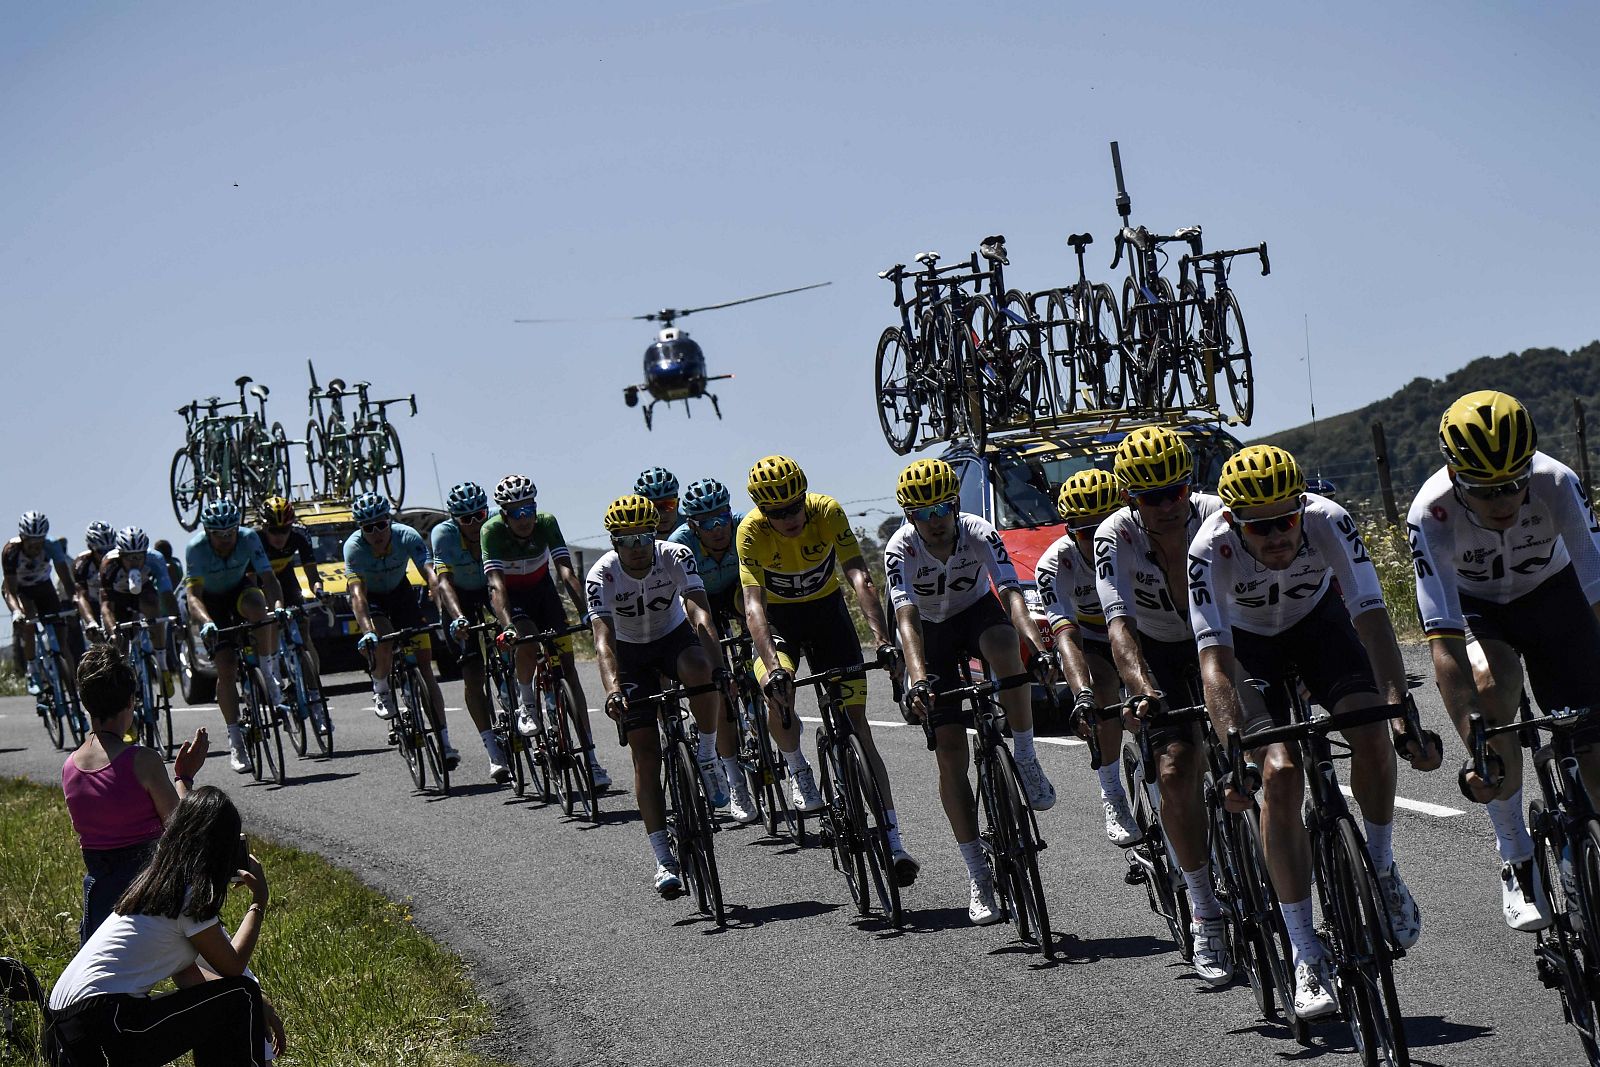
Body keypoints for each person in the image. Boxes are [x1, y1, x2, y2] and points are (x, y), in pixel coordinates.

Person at [1190, 445, 1440, 1018]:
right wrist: (1233, 751)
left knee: (1372, 729)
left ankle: (1380, 867)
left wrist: (1399, 707)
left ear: (1301, 508)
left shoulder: (1329, 520)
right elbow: (1212, 662)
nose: (1277, 535)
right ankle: (1305, 950)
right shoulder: (1208, 548)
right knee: (1278, 772)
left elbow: (1371, 617)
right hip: (1247, 651)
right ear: (1233, 522)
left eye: (1286, 519)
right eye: (1261, 526)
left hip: (1318, 629)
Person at [1409, 390, 1600, 931]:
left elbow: (1596, 587)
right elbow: (1443, 639)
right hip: (1478, 610)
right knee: (1494, 684)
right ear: (1454, 472)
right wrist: (1474, 738)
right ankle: (1515, 855)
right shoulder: (1431, 511)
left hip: (1554, 593)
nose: (1504, 500)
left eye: (1515, 483)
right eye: (1486, 490)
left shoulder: (1556, 481)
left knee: (1593, 742)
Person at [887, 459, 1065, 924]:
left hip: (975, 614)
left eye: (942, 508)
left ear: (956, 503)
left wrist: (1036, 646)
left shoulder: (979, 532)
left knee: (1006, 644)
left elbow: (1010, 594)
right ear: (910, 516)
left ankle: (1024, 757)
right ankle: (977, 874)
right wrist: (918, 677)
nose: (935, 520)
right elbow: (906, 620)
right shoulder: (899, 549)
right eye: (923, 513)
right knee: (949, 753)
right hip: (928, 632)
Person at [738, 454, 919, 884]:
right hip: (780, 622)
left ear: (805, 497)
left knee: (859, 728)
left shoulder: (827, 511)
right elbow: (752, 606)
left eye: (794, 506)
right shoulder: (751, 531)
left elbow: (859, 578)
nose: (789, 517)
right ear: (764, 513)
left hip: (827, 615)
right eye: (777, 512)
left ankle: (894, 842)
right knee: (775, 688)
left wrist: (881, 640)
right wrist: (771, 665)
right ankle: (798, 768)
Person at [1093, 425, 1229, 985]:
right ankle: (1204, 908)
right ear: (1130, 497)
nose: (1168, 506)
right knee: (1174, 770)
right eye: (1152, 497)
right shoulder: (1112, 537)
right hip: (1159, 650)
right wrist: (1142, 687)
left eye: (1175, 491)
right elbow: (1119, 628)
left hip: (1223, 638)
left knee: (1269, 751)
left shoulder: (1218, 513)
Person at [46, 786, 285, 1065]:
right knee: (241, 995)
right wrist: (259, 901)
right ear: (219, 847)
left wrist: (258, 1003)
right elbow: (232, 966)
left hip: (63, 1024)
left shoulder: (156, 886)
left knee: (238, 997)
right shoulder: (188, 894)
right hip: (101, 1020)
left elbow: (190, 979)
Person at [592, 495, 754, 896]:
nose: (637, 548)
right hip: (629, 655)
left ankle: (708, 753)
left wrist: (719, 668)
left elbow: (700, 614)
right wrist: (613, 690)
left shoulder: (676, 556)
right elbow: (603, 642)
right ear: (614, 542)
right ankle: (663, 859)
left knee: (700, 670)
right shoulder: (602, 576)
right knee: (645, 758)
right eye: (626, 540)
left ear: (655, 534)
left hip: (672, 638)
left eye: (643, 537)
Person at [63, 643, 208, 944]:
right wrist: (184, 777)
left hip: (102, 902)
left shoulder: (69, 768)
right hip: (148, 895)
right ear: (130, 702)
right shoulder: (142, 760)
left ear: (86, 703)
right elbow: (180, 826)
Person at [482, 474, 609, 788]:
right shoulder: (492, 531)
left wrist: (586, 612)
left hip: (543, 594)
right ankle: (526, 702)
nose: (524, 519)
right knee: (525, 640)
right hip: (512, 599)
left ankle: (591, 760)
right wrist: (507, 625)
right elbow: (496, 585)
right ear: (504, 513)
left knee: (569, 671)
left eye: (529, 510)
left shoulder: (547, 523)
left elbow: (566, 572)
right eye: (516, 513)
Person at [1035, 468, 1139, 845]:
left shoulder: (1141, 539)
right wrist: (1082, 694)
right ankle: (1113, 795)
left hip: (1145, 629)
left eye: (1105, 528)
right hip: (1094, 637)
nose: (1097, 543)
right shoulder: (1054, 563)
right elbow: (1066, 635)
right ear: (1068, 532)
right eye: (1085, 534)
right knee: (1103, 694)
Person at [345, 491, 461, 771]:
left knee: (424, 665)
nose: (376, 532)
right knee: (383, 639)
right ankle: (382, 687)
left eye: (381, 524)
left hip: (401, 595)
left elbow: (430, 575)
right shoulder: (354, 547)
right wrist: (367, 631)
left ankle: (444, 743)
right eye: (368, 527)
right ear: (361, 529)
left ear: (389, 521)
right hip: (372, 600)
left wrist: (442, 605)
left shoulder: (406, 535)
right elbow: (357, 595)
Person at [185, 498, 286, 775]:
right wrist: (206, 622)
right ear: (208, 533)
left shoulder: (249, 538)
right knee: (226, 668)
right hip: (212, 604)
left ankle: (269, 674)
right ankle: (236, 739)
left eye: (231, 532)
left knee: (259, 609)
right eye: (220, 534)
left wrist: (278, 607)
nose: (227, 539)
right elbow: (193, 597)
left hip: (240, 590)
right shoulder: (196, 549)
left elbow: (268, 578)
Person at [432, 480, 511, 783]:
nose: (475, 523)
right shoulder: (443, 534)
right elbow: (443, 583)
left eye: (479, 515)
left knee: (514, 635)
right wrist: (458, 618)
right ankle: (492, 749)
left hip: (492, 587)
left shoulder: (495, 522)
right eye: (466, 519)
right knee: (473, 672)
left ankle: (515, 694)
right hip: (460, 597)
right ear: (455, 520)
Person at [3, 511, 79, 694]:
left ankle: (74, 688)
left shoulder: (51, 546)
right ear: (22, 538)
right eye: (31, 543)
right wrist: (16, 612)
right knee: (28, 621)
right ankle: (32, 669)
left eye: (39, 542)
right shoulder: (11, 551)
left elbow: (67, 581)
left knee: (62, 639)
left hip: (43, 586)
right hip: (20, 589)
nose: (35, 547)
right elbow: (10, 591)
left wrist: (75, 601)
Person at [255, 495, 326, 688]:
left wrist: (320, 592)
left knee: (303, 632)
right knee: (269, 625)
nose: (280, 536)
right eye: (274, 530)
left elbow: (312, 575)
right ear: (263, 527)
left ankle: (313, 688)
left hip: (286, 578)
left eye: (285, 530)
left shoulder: (299, 535)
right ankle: (274, 675)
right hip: (260, 582)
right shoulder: (254, 540)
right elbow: (251, 580)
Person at [668, 477, 744, 630]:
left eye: (722, 517)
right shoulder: (679, 543)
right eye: (706, 523)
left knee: (751, 603)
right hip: (701, 596)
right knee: (701, 625)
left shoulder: (743, 525)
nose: (717, 528)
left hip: (735, 588)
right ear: (692, 526)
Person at [100, 526, 175, 671]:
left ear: (146, 554)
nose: (135, 562)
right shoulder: (108, 564)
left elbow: (167, 593)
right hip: (118, 597)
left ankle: (161, 661)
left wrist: (177, 619)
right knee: (120, 643)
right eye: (129, 558)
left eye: (139, 557)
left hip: (144, 592)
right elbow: (106, 606)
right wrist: (112, 632)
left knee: (153, 605)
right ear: (120, 555)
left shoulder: (155, 559)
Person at [74, 521, 117, 643]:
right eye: (101, 551)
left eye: (111, 549)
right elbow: (81, 596)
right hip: (93, 604)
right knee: (99, 643)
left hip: (114, 600)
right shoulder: (82, 563)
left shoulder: (119, 559)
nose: (107, 555)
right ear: (91, 548)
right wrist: (90, 621)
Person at [635, 466, 687, 537]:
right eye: (653, 508)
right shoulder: (634, 533)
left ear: (677, 503)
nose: (662, 515)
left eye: (668, 505)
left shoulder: (694, 527)